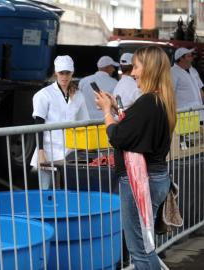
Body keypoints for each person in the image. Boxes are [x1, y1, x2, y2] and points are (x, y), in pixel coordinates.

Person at [95, 46, 176, 269]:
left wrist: (105, 113)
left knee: (139, 250)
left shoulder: (149, 102)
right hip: (155, 177)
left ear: (149, 69)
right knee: (144, 247)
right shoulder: (161, 101)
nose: (132, 73)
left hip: (140, 181)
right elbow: (136, 129)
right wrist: (116, 108)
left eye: (137, 67)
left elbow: (119, 136)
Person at [30, 55, 89, 189]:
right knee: (46, 192)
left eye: (67, 73)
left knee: (70, 190)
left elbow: (84, 122)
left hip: (70, 152)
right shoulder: (44, 95)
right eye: (61, 73)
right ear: (56, 73)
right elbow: (38, 123)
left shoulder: (78, 95)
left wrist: (83, 149)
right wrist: (40, 151)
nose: (64, 76)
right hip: (48, 150)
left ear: (72, 73)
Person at [171, 47, 204, 119]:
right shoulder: (172, 72)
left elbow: (200, 89)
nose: (192, 58)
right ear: (181, 59)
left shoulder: (193, 70)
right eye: (189, 56)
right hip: (184, 114)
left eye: (191, 55)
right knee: (187, 130)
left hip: (199, 111)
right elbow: (170, 94)